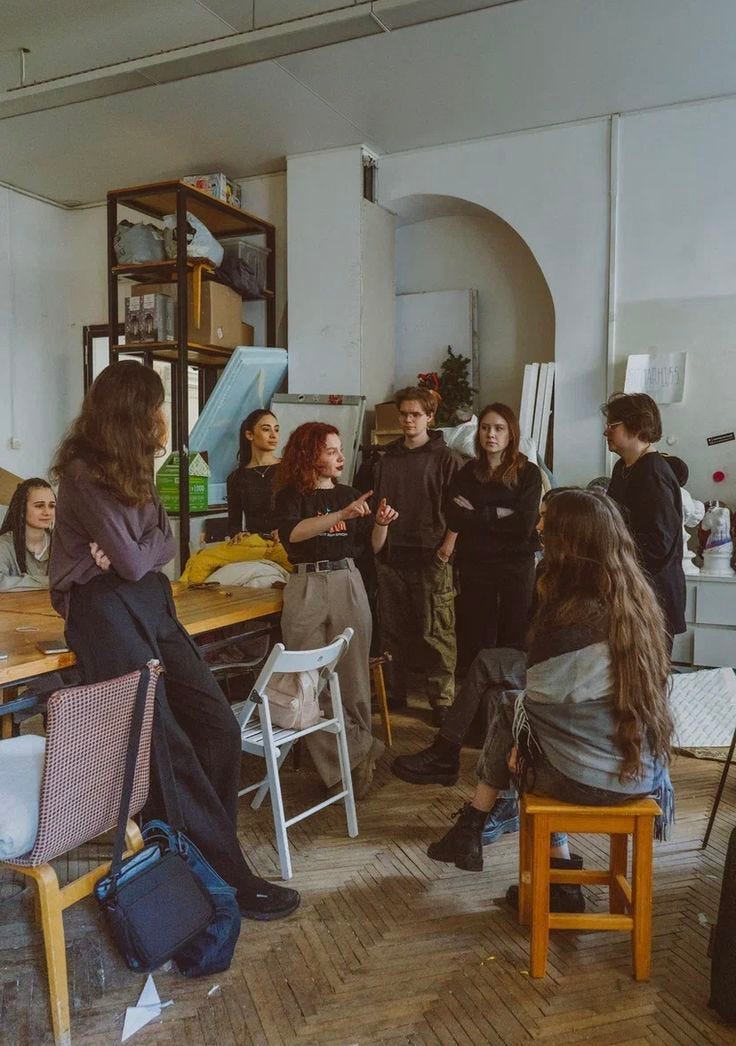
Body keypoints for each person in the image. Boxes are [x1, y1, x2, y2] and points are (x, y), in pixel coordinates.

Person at [49, 361, 299, 920]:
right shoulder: (84, 474)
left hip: (145, 598)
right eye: (158, 405)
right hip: (99, 610)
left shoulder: (135, 467)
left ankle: (204, 854)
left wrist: (139, 546)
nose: (165, 416)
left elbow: (162, 547)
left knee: (216, 724)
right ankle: (228, 877)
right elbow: (143, 553)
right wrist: (140, 546)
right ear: (134, 413)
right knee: (165, 743)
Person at [424, 490, 674, 914]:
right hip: (644, 771)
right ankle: (553, 879)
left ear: (569, 541)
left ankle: (477, 821)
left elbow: (536, 703)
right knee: (522, 716)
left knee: (512, 719)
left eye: (546, 522)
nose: (538, 529)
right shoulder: (637, 600)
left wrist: (522, 743)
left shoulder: (573, 614)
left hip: (593, 780)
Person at [274, 422, 398, 798]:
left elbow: (371, 548)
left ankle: (350, 765)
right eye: (331, 451)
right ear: (310, 454)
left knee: (353, 676)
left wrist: (379, 524)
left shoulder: (350, 494)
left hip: (347, 579)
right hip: (306, 584)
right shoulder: (289, 495)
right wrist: (341, 512)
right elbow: (294, 534)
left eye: (340, 449)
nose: (341, 457)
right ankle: (356, 757)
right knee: (308, 680)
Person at [371, 386, 461, 725]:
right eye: (404, 414)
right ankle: (394, 693)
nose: (409, 420)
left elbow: (460, 510)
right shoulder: (387, 459)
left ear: (429, 417)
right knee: (392, 630)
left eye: (416, 414)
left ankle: (442, 700)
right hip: (393, 555)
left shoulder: (446, 458)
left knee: (436, 631)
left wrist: (446, 548)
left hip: (432, 556)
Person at [438, 402, 541, 667]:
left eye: (498, 428)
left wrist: (478, 514)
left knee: (514, 630)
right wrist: (499, 513)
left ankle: (510, 694)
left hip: (516, 565)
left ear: (511, 434)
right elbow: (454, 515)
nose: (490, 434)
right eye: (485, 428)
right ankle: (479, 696)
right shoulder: (467, 473)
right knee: (476, 631)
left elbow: (524, 524)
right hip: (476, 564)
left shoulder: (528, 473)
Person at [604, 392, 686, 652]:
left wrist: (617, 561)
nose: (605, 431)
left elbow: (657, 545)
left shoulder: (652, 471)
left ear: (636, 426)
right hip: (631, 589)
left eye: (612, 425)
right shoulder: (623, 468)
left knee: (648, 678)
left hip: (653, 594)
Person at [226, 408, 280, 541]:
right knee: (200, 560)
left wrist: (287, 530)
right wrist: (238, 535)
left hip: (287, 544)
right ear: (250, 435)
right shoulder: (236, 478)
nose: (274, 435)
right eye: (266, 429)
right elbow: (234, 525)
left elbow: (305, 514)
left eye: (277, 429)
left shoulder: (290, 469)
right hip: (256, 545)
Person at [0, 478, 56, 591]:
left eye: (51, 506)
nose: (47, 512)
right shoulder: (4, 544)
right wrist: (49, 582)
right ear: (21, 510)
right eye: (39, 506)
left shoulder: (62, 544)